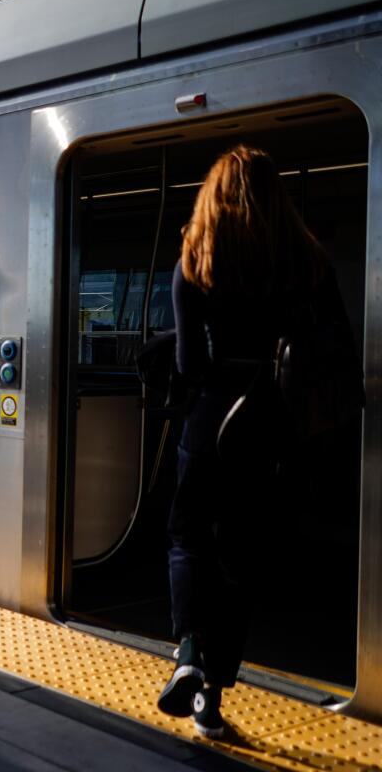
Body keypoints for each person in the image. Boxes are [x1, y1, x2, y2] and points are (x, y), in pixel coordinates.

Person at [157, 145, 347, 739]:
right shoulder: (307, 260)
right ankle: (211, 705)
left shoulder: (195, 259)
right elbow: (332, 343)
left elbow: (188, 363)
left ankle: (187, 650)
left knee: (189, 539)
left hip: (209, 417)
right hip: (269, 424)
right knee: (240, 560)